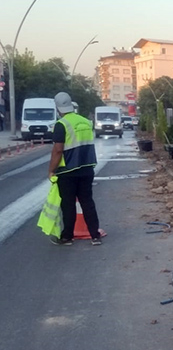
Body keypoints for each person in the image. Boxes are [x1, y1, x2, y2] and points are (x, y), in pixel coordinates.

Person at [48, 92, 102, 246]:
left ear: (58, 108)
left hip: (67, 171)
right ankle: (95, 236)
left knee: (68, 204)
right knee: (87, 201)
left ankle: (67, 237)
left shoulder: (61, 124)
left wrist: (51, 170)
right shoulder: (86, 122)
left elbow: (58, 150)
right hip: (87, 168)